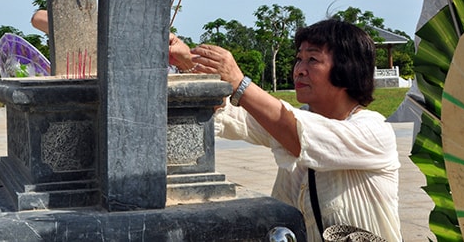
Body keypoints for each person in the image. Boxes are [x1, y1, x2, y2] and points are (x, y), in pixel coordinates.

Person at [169, 19, 401, 242]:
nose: (299, 69)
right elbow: (234, 114)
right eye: (298, 59)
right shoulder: (292, 122)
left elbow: (296, 132)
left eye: (312, 59)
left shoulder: (374, 133)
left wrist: (240, 83)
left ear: (348, 68)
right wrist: (188, 61)